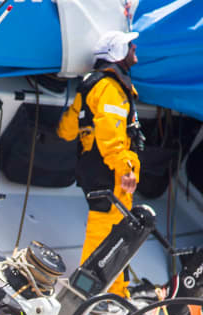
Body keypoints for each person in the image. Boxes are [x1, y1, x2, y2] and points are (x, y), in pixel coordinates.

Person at [58, 29, 143, 299]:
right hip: (109, 171)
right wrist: (125, 168)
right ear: (117, 52)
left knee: (116, 233)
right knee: (107, 235)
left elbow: (67, 129)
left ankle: (113, 292)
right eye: (131, 47)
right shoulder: (110, 88)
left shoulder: (91, 85)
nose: (135, 52)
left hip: (93, 168)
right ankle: (86, 296)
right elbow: (110, 133)